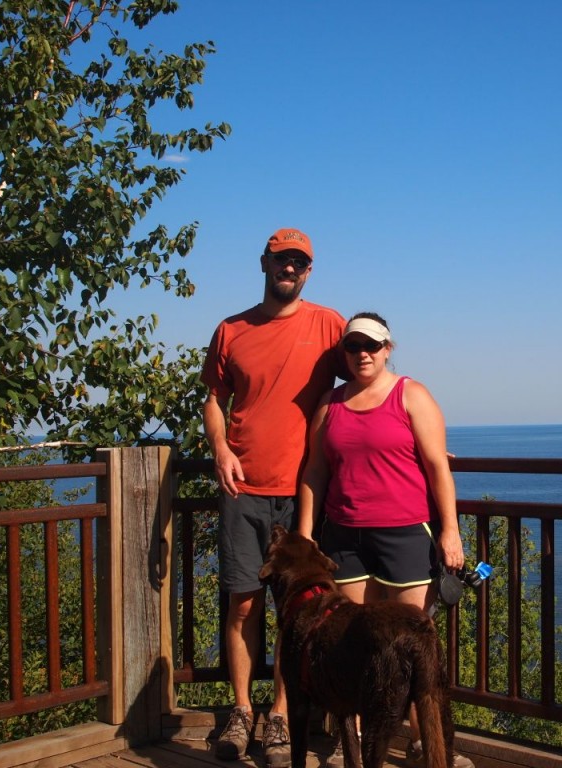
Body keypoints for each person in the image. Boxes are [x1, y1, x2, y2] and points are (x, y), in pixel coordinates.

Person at [298, 312, 474, 768]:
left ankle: (423, 742)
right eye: (354, 347)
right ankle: (350, 743)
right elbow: (315, 471)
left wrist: (451, 531)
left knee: (415, 647)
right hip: (344, 537)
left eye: (371, 346)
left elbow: (438, 466)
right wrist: (303, 536)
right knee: (348, 645)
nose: (362, 354)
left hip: (405, 534)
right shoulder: (330, 404)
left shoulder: (410, 395)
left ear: (388, 348)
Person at [201, 227, 346, 768]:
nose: (290, 268)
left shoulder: (329, 324)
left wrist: (410, 441)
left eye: (300, 262)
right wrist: (219, 448)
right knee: (242, 604)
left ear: (309, 270)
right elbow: (214, 397)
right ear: (263, 262)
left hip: (303, 494)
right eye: (282, 259)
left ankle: (281, 714)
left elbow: (364, 379)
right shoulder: (231, 329)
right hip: (243, 489)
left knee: (297, 615)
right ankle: (242, 711)